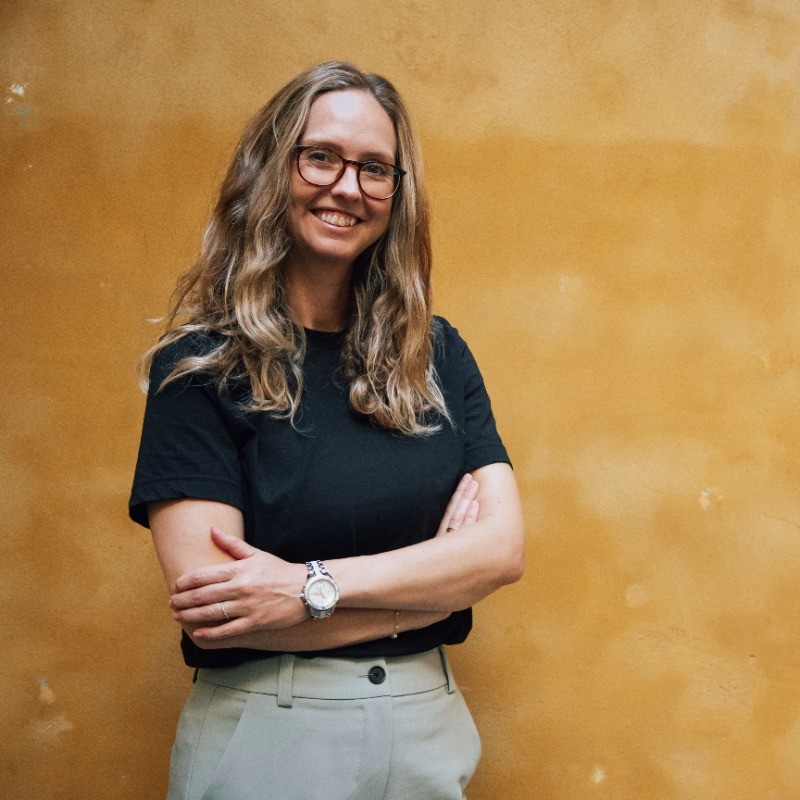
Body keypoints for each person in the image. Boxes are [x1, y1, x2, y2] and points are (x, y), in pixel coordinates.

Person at [129, 61, 525, 800]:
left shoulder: (436, 354)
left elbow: (501, 551)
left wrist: (307, 587)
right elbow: (219, 613)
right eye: (320, 157)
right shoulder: (199, 367)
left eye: (375, 169)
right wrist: (436, 593)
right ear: (269, 171)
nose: (347, 187)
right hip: (269, 731)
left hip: (427, 725)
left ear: (397, 194)